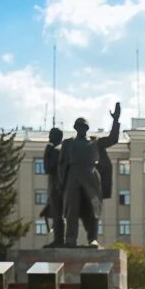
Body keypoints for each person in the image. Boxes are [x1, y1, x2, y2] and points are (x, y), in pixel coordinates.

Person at [58, 102, 120, 247]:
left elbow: (113, 139)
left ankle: (92, 238)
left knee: (94, 208)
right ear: (75, 128)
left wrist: (115, 120)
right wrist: (62, 182)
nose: (82, 129)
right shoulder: (68, 143)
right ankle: (70, 239)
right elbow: (61, 163)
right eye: (79, 127)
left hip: (91, 176)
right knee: (72, 208)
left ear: (87, 128)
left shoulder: (95, 143)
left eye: (84, 127)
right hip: (73, 176)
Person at [41, 127, 65, 248]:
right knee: (59, 215)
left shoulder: (55, 150)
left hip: (56, 187)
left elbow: (48, 167)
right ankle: (60, 240)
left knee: (57, 215)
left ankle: (59, 241)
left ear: (57, 137)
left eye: (51, 135)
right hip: (61, 187)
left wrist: (47, 152)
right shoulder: (63, 149)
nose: (49, 138)